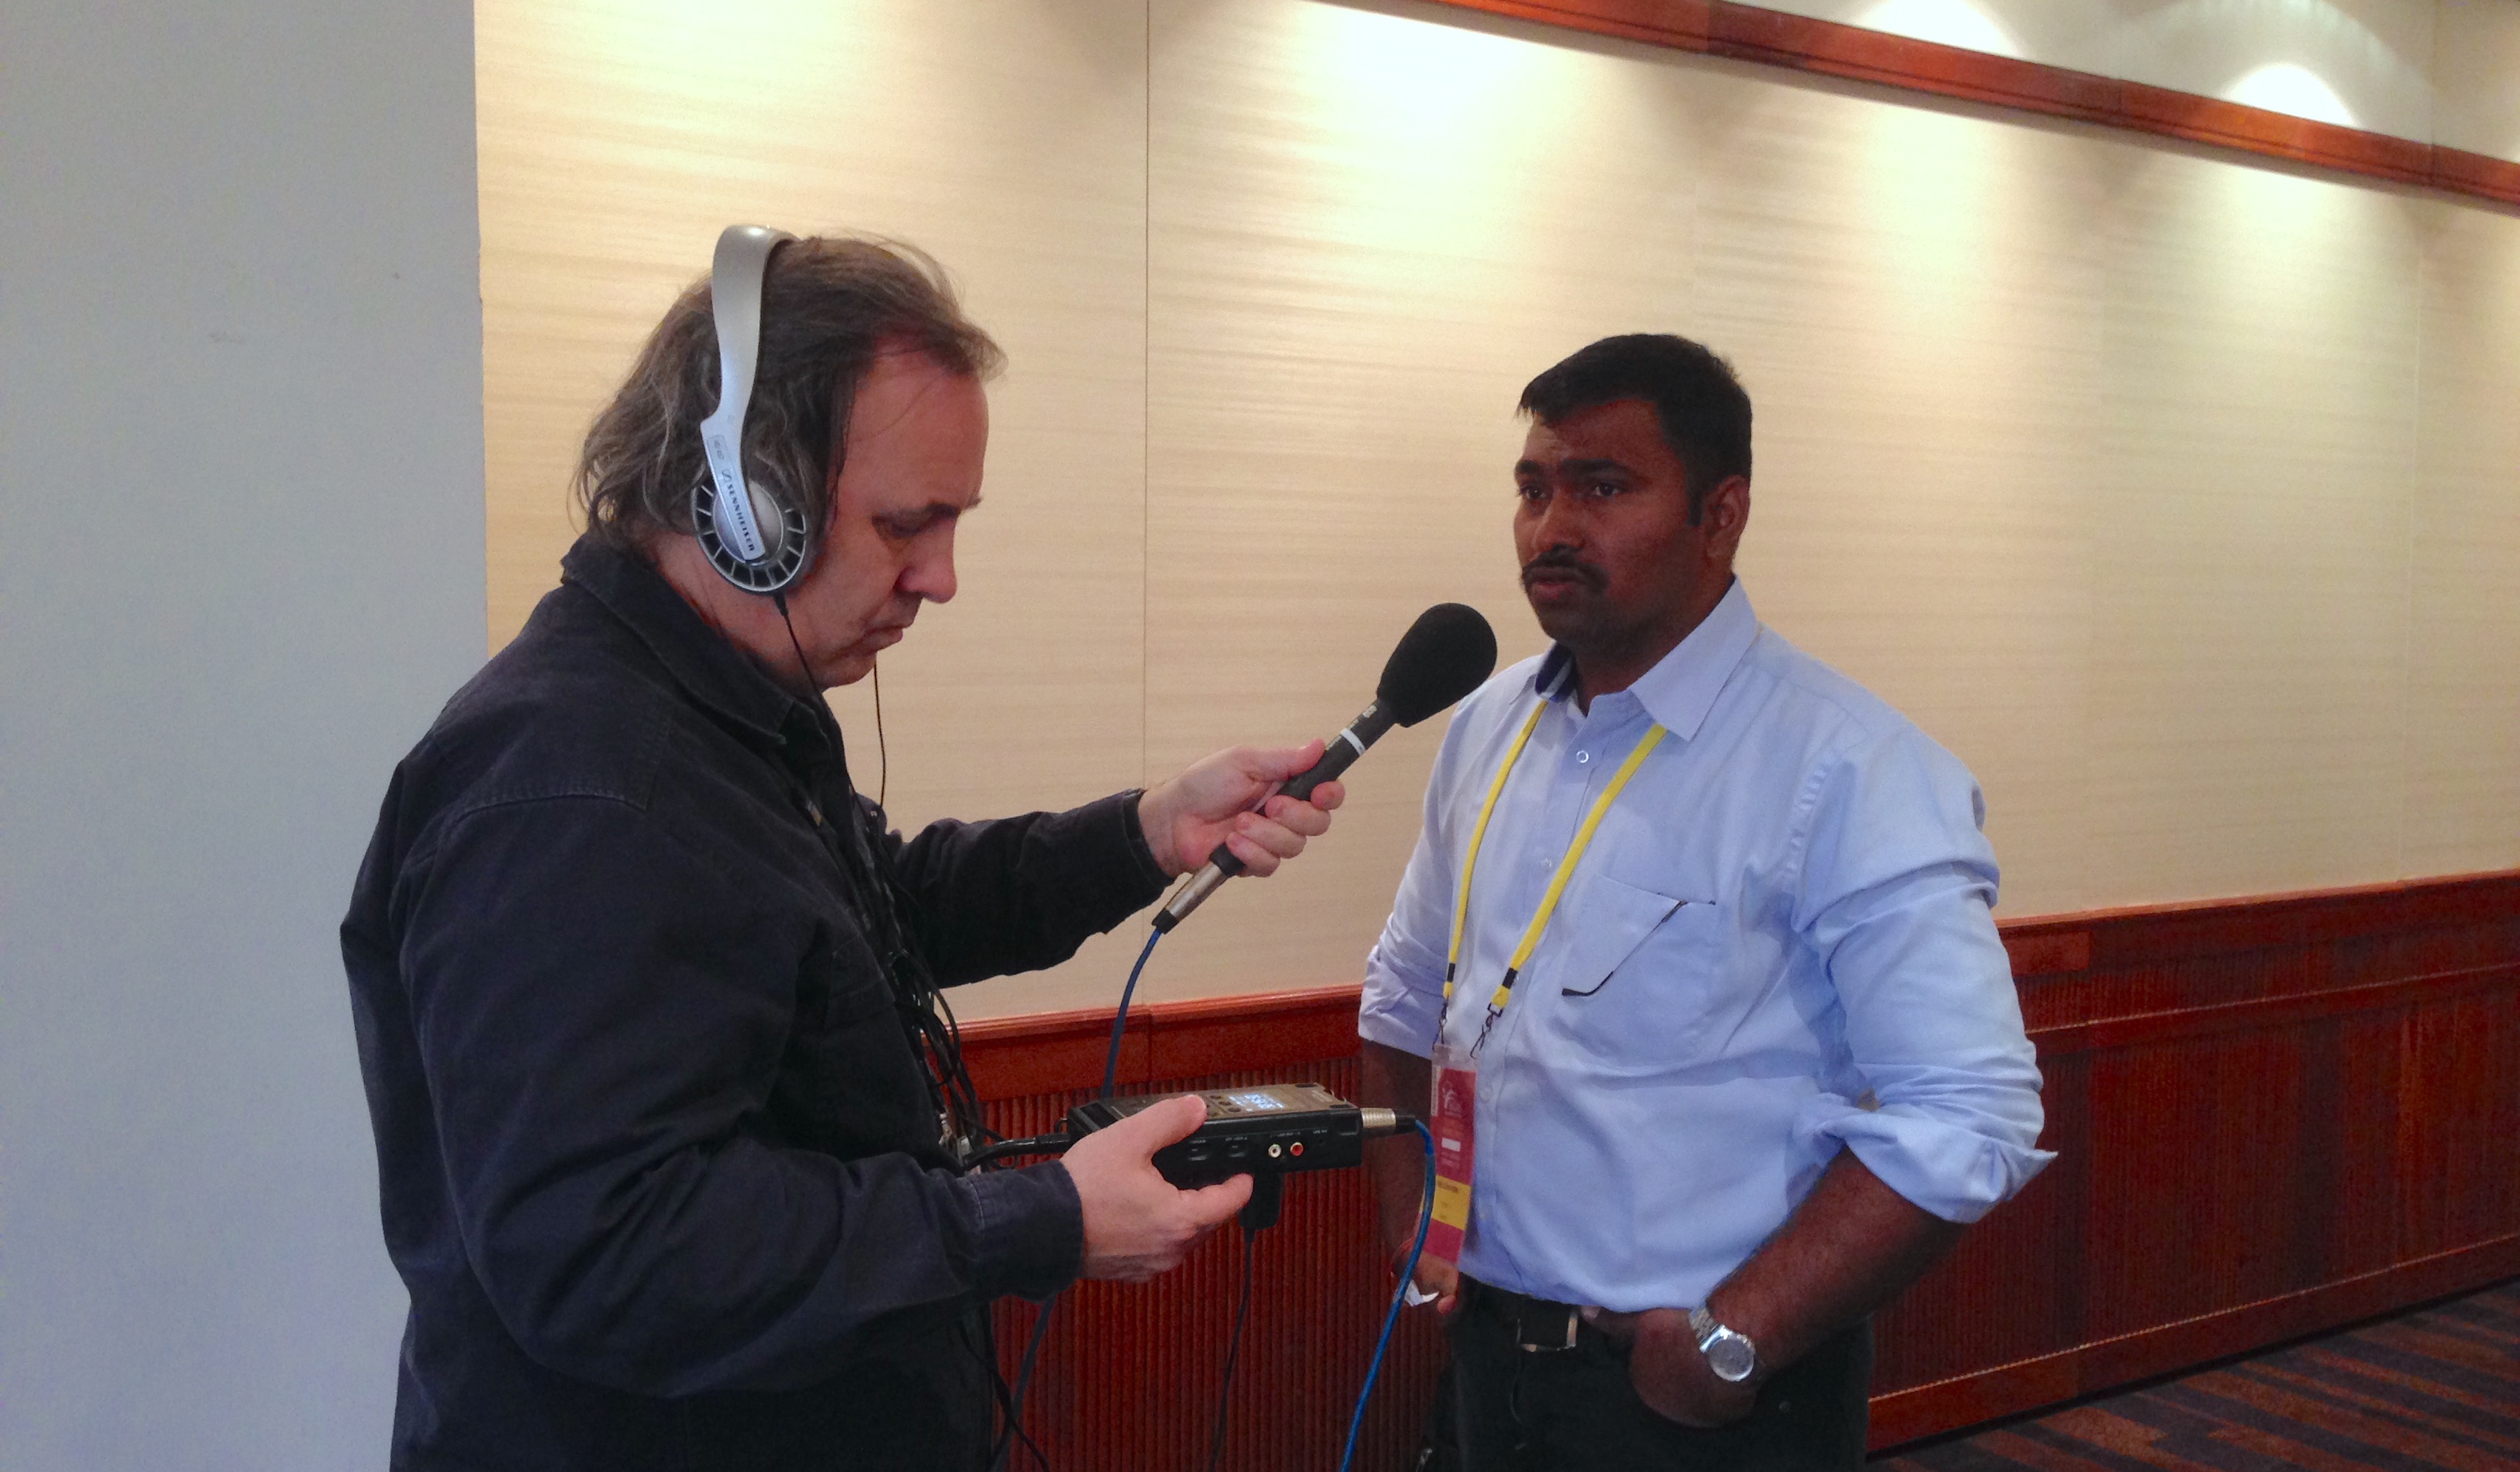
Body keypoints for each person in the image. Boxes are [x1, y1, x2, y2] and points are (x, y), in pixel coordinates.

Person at [341, 234, 1343, 1471]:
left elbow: (872, 916)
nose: (942, 578)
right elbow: (610, 1248)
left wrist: (1143, 833)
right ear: (743, 497)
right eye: (906, 524)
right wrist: (1038, 1219)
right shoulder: (569, 788)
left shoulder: (726, 707)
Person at [1357, 334, 2051, 1470]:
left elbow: (1969, 1109)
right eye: (1533, 488)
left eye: (1604, 486)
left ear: (1720, 514)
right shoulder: (1487, 728)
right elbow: (1400, 995)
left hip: (1698, 1395)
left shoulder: (1847, 769)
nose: (1552, 527)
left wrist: (1735, 1337)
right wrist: (1412, 1217)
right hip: (1488, 1357)